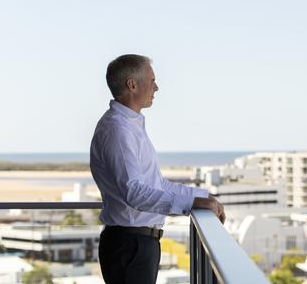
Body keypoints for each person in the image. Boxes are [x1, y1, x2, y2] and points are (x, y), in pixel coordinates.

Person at [90, 54, 225, 284]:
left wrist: (203, 197)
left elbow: (156, 185)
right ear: (132, 84)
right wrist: (191, 204)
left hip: (137, 244)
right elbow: (134, 192)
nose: (157, 87)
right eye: (152, 80)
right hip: (130, 247)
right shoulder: (118, 130)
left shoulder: (130, 126)